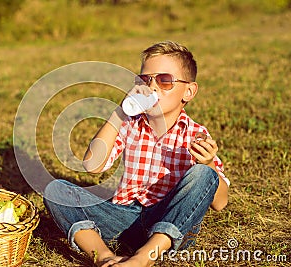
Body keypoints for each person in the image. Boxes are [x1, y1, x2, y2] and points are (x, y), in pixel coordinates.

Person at [43, 40, 230, 267]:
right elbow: (92, 165)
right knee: (56, 190)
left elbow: (220, 203)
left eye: (164, 80)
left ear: (188, 91)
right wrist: (120, 113)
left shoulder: (195, 134)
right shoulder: (129, 124)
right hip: (123, 218)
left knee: (203, 173)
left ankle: (144, 257)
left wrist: (208, 163)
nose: (152, 87)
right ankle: (104, 256)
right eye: (145, 80)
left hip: (169, 221)